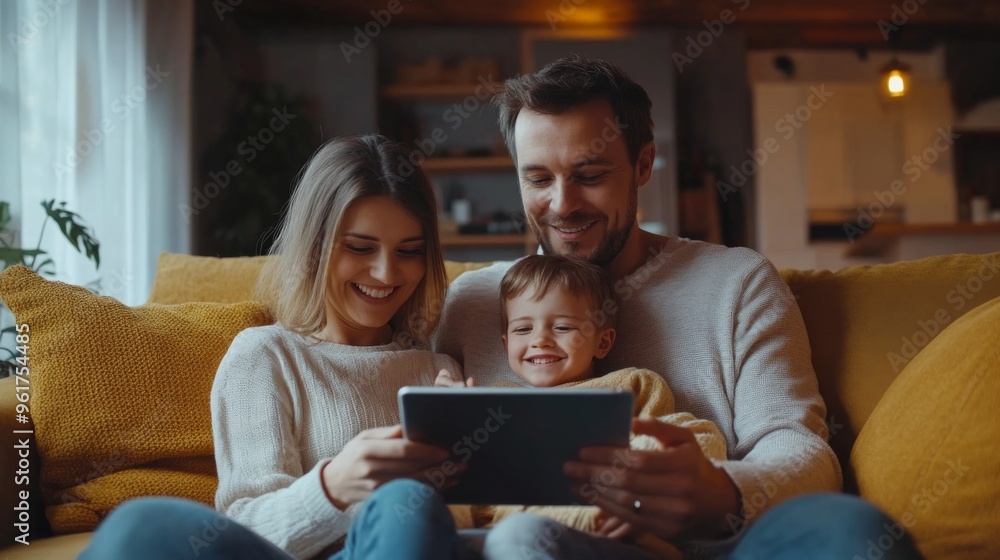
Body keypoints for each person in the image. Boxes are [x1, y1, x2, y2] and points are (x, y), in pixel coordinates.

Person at [433, 55, 925, 559]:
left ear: (643, 164)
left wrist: (720, 494)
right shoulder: (473, 300)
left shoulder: (736, 282)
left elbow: (803, 452)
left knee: (853, 532)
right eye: (538, 179)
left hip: (707, 548)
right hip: (527, 546)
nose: (563, 204)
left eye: (591, 174)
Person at [80, 134, 479, 560]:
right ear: (313, 247)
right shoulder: (265, 356)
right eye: (360, 247)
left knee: (402, 504)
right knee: (140, 524)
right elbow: (246, 526)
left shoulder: (439, 373)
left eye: (409, 251)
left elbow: (462, 522)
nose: (385, 273)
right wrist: (332, 487)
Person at [437, 254, 728, 560]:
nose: (540, 340)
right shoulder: (493, 402)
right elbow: (470, 492)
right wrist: (452, 418)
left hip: (613, 540)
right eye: (523, 330)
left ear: (603, 342)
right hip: (502, 537)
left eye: (562, 328)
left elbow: (689, 445)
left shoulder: (631, 386)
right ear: (506, 342)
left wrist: (633, 499)